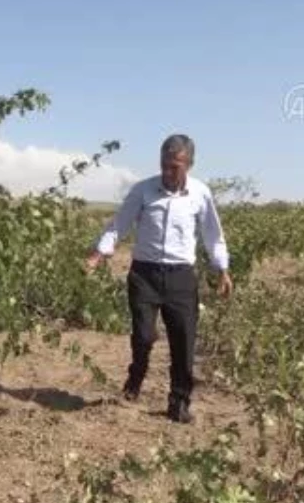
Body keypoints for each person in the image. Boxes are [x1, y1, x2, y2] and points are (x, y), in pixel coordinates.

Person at [84, 134, 233, 424]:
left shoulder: (200, 194)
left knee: (183, 342)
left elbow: (213, 236)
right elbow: (119, 225)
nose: (168, 172)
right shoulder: (143, 191)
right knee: (143, 335)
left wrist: (222, 269)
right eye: (164, 165)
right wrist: (98, 254)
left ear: (188, 164)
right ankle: (136, 375)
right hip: (144, 274)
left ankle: (179, 403)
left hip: (181, 277)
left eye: (175, 167)